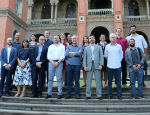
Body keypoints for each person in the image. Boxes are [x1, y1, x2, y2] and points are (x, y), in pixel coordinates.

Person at [104, 33, 123, 99]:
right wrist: (110, 61)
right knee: (109, 81)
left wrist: (117, 61)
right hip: (110, 66)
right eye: (112, 37)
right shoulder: (107, 46)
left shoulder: (119, 46)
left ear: (116, 38)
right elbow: (106, 56)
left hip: (118, 66)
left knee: (118, 81)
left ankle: (119, 94)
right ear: (109, 38)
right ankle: (110, 94)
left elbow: (121, 55)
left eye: (114, 37)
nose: (113, 38)